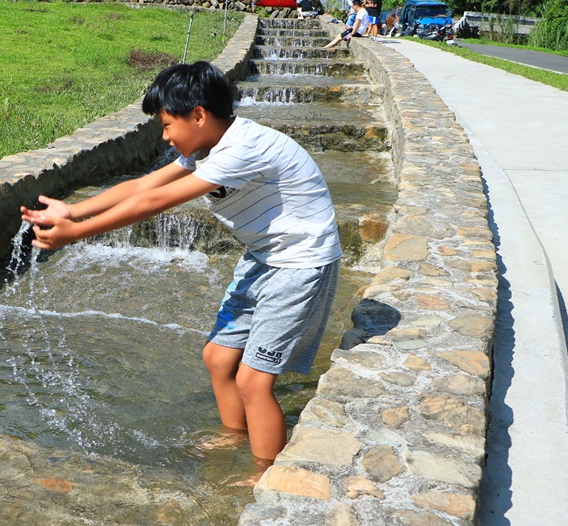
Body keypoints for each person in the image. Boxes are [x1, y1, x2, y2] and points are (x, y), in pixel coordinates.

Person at [20, 62, 342, 481]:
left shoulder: (241, 148)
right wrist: (73, 210)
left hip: (301, 262)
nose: (165, 136)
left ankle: (266, 477)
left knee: (253, 381)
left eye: (168, 124)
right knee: (218, 358)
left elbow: (154, 204)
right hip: (264, 256)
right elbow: (141, 186)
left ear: (199, 115)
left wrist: (75, 233)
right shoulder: (206, 147)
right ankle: (236, 436)